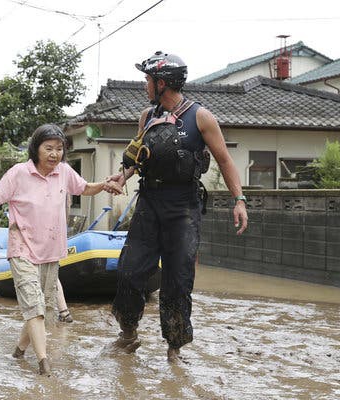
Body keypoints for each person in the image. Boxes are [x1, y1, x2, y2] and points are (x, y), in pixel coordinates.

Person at [108, 51, 248, 362]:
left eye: (148, 80)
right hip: (149, 203)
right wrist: (123, 175)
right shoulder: (147, 116)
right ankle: (128, 333)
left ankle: (174, 349)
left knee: (177, 280)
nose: (145, 85)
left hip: (184, 208)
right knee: (129, 271)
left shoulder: (201, 117)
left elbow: (225, 161)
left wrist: (239, 200)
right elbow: (138, 155)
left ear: (163, 83)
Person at [0, 123, 122, 376]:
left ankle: (19, 352)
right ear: (36, 149)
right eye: (49, 148)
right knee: (34, 305)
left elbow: (84, 188)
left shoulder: (64, 172)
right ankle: (43, 362)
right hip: (21, 246)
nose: (54, 154)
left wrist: (105, 185)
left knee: (41, 306)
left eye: (59, 149)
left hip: (51, 251)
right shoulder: (19, 173)